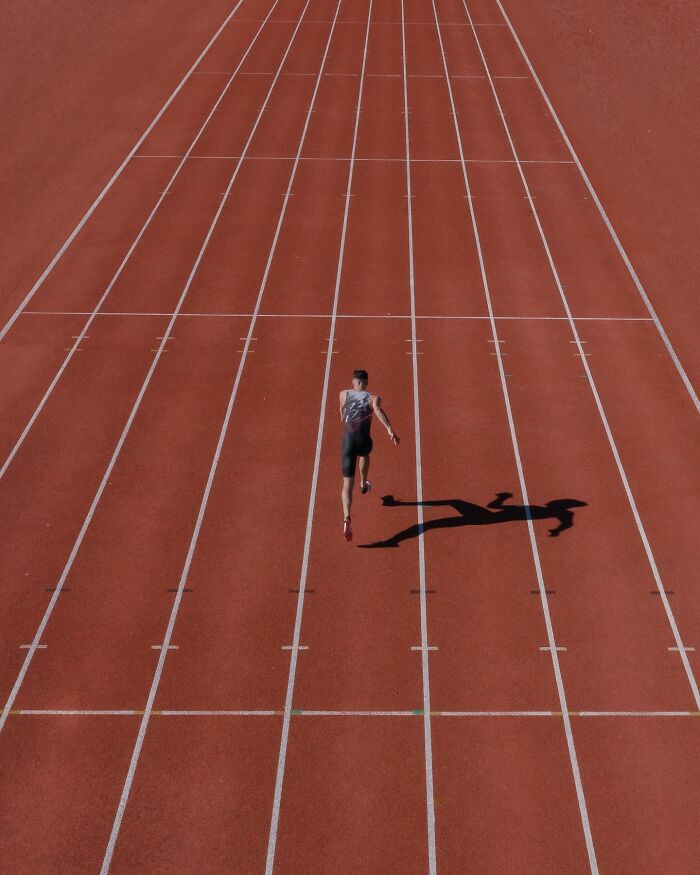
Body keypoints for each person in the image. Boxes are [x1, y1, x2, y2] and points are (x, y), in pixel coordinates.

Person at [340, 369, 399, 542]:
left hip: (348, 441)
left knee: (346, 485)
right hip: (363, 439)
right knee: (365, 452)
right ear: (366, 382)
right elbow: (378, 411)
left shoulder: (343, 394)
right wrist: (389, 429)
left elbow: (342, 416)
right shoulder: (373, 398)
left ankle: (347, 517)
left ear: (353, 382)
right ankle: (363, 483)